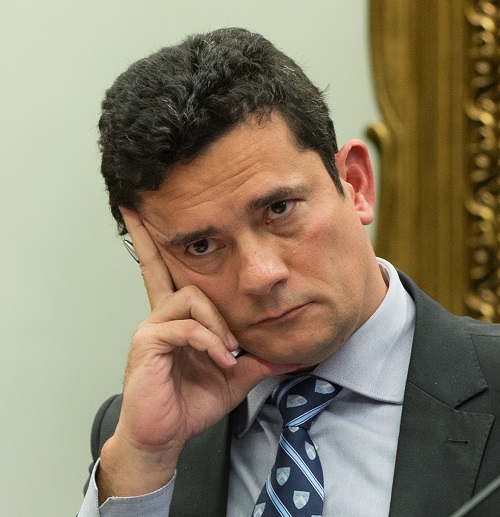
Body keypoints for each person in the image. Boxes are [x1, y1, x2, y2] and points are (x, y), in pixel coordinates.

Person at [78, 28, 500, 517]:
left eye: (279, 209)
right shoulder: (137, 440)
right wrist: (143, 465)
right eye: (201, 246)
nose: (261, 275)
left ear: (356, 184)